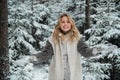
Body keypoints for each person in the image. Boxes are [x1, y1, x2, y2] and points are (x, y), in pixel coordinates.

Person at [29, 13, 99, 80]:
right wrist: (35, 57)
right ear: (59, 24)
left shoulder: (77, 38)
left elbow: (85, 51)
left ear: (71, 24)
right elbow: (46, 54)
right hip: (57, 76)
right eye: (63, 22)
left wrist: (95, 50)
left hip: (73, 76)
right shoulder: (52, 39)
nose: (65, 24)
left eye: (68, 22)